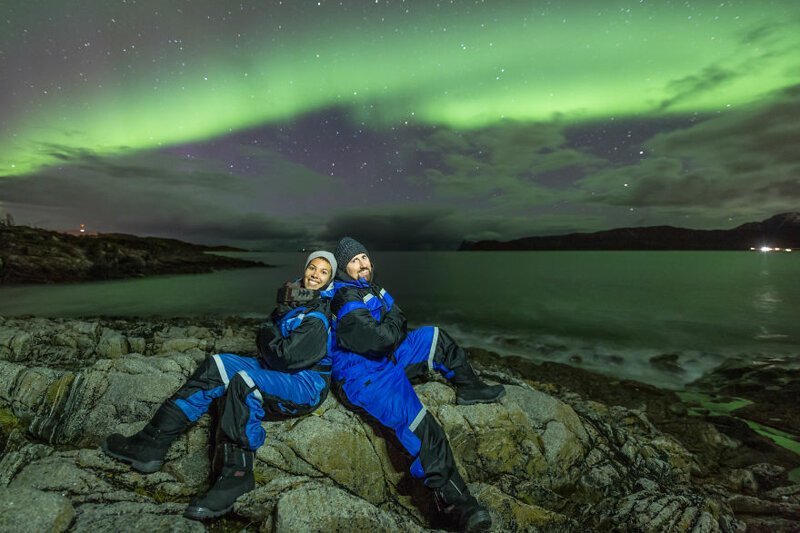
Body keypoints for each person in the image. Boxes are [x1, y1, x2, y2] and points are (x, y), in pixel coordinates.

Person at [101, 251, 337, 520]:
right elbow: (273, 344)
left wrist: (267, 331)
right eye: (313, 268)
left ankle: (236, 477)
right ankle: (152, 442)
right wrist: (270, 330)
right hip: (280, 367)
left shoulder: (318, 316)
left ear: (330, 280)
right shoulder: (294, 298)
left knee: (244, 383)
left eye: (324, 272)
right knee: (218, 365)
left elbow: (284, 356)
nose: (315, 275)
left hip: (306, 383)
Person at [329, 237, 504, 533]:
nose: (362, 264)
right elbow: (377, 339)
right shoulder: (344, 297)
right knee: (424, 428)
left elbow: (399, 319)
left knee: (434, 337)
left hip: (386, 357)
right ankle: (460, 506)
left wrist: (390, 331)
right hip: (363, 375)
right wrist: (391, 331)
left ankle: (470, 387)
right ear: (343, 268)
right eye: (354, 260)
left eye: (364, 257)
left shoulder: (372, 288)